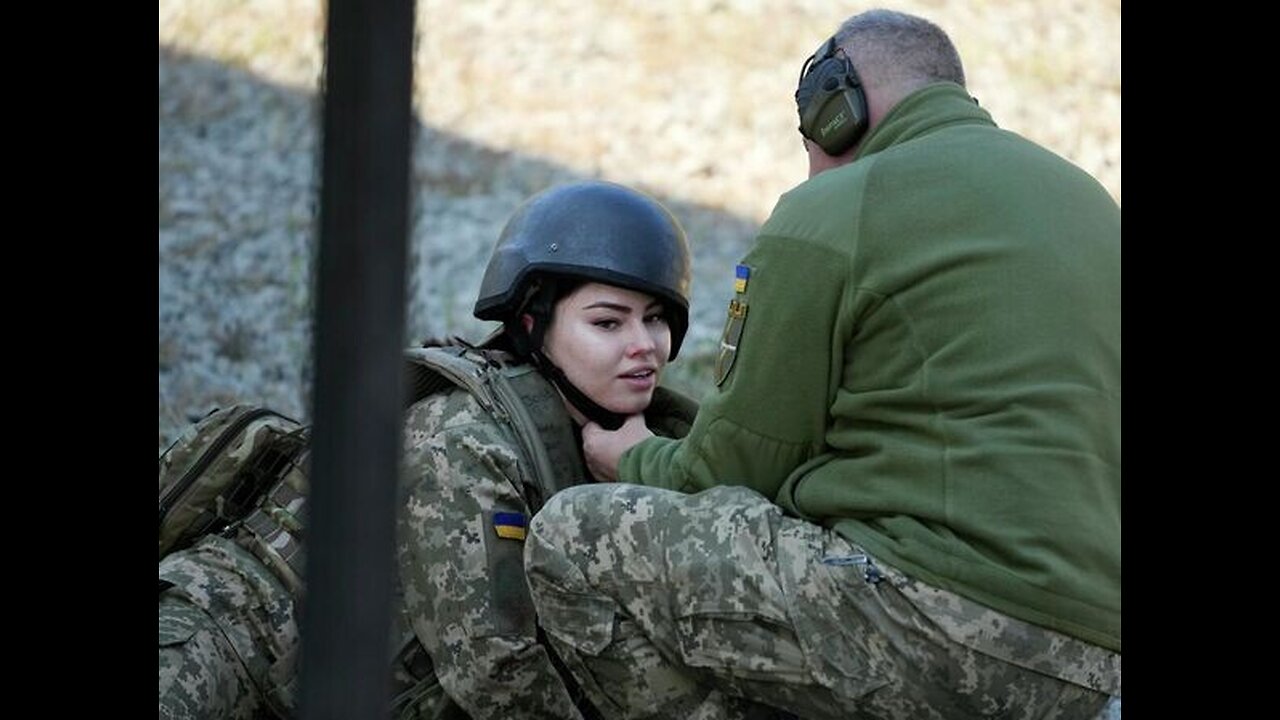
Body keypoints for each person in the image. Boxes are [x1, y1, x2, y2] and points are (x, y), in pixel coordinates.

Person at [523, 9, 1121, 720]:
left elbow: (735, 466)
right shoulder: (1089, 202)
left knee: (572, 538)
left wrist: (637, 459)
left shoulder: (835, 208)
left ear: (837, 106)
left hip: (940, 626)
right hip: (1094, 657)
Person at [159, 180, 702, 719]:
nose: (643, 346)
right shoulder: (460, 439)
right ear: (533, 324)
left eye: (655, 318)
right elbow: (493, 667)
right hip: (223, 645)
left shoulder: (654, 438)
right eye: (607, 321)